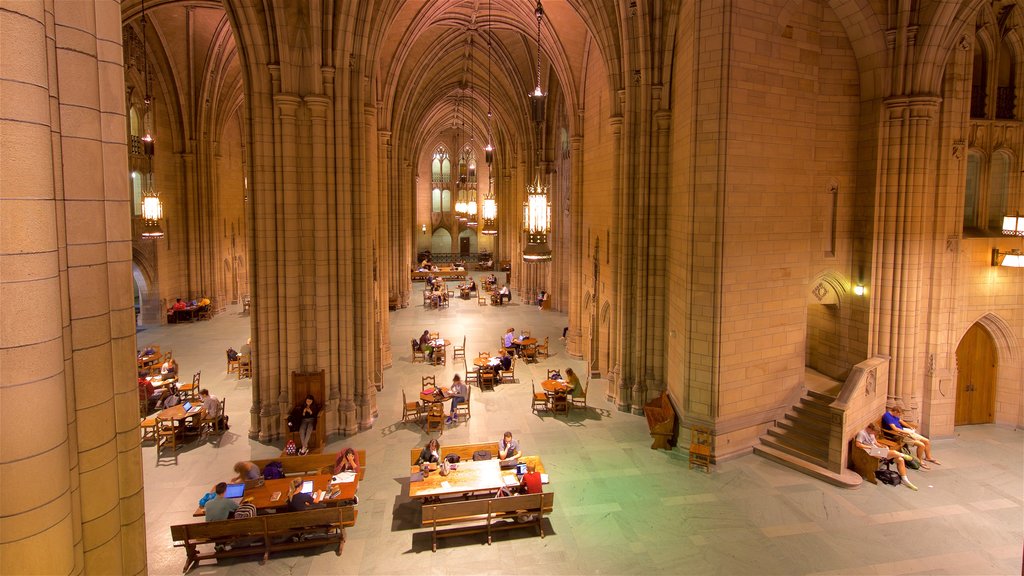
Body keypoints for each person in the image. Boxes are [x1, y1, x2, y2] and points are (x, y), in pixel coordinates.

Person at [855, 423, 917, 490]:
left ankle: (905, 480)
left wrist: (881, 446)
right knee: (893, 452)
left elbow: (875, 443)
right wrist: (870, 447)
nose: (874, 434)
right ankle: (904, 455)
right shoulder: (862, 433)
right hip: (872, 452)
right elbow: (858, 445)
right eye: (874, 432)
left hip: (877, 450)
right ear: (869, 428)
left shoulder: (871, 434)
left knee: (900, 460)